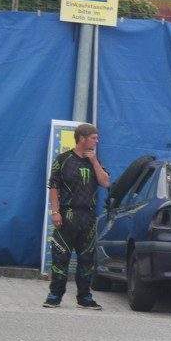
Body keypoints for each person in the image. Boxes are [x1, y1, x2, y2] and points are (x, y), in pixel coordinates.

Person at [44, 123, 111, 309]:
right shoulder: (63, 159)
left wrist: (95, 162)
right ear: (82, 138)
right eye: (94, 138)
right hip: (67, 215)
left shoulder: (95, 161)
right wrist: (55, 212)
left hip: (88, 216)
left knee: (87, 259)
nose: (97, 141)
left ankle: (85, 297)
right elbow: (53, 186)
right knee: (60, 257)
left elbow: (106, 183)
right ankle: (55, 295)